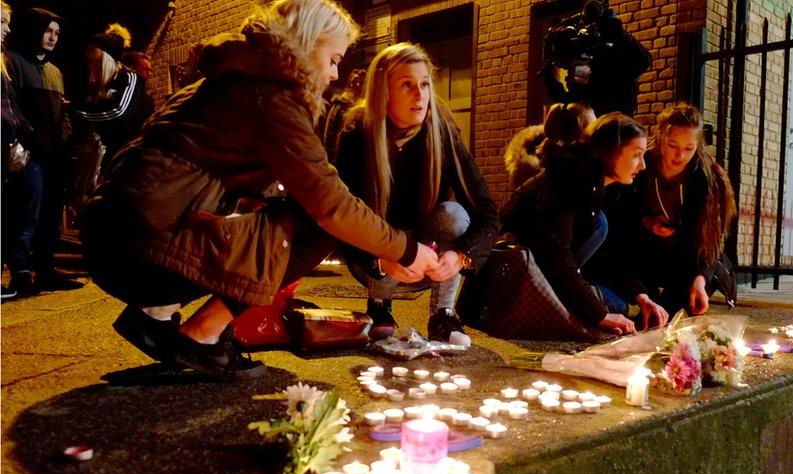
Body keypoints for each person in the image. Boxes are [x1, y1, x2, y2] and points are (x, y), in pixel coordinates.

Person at [80, 0, 439, 380]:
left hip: (118, 233)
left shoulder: (236, 74)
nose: (335, 73)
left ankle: (156, 312)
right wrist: (404, 247)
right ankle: (200, 335)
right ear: (307, 41)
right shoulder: (272, 96)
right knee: (314, 227)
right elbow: (330, 203)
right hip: (139, 245)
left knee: (286, 214)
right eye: (333, 59)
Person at [335, 43, 500, 342]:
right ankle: (379, 306)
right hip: (378, 260)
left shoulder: (443, 134)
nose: (420, 95)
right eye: (407, 85)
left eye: (424, 84)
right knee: (373, 215)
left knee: (453, 213)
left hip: (431, 256)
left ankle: (443, 314)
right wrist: (382, 261)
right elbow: (343, 217)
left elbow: (488, 212)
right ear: (383, 92)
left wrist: (462, 256)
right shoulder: (356, 137)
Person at [502, 112, 651, 335]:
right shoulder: (570, 180)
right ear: (611, 151)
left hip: (552, 268)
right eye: (637, 155)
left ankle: (577, 298)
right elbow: (556, 256)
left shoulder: (599, 185)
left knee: (618, 303)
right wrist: (599, 315)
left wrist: (641, 295)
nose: (643, 165)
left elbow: (610, 255)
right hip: (519, 276)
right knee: (611, 306)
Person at [588, 102, 737, 321]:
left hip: (686, 253)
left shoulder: (706, 179)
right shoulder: (640, 166)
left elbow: (710, 242)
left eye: (689, 149)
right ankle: (646, 298)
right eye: (673, 145)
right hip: (645, 248)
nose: (680, 156)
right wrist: (646, 222)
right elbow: (618, 221)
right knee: (617, 260)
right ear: (660, 139)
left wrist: (700, 279)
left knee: (695, 284)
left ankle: (669, 304)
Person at [6, 7, 81, 293]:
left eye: (57, 33)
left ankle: (46, 270)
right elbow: (11, 107)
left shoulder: (54, 71)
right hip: (29, 153)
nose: (52, 37)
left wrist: (65, 142)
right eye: (48, 30)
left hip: (54, 153)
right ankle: (21, 273)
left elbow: (61, 113)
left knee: (50, 214)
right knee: (25, 214)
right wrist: (30, 137)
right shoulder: (12, 62)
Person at [1, 0, 41, 301]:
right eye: (2, 22)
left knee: (23, 206)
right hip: (6, 144)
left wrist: (28, 135)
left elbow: (10, 106)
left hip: (14, 146)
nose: (7, 29)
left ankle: (21, 271)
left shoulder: (2, 63)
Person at [75, 23, 155, 163]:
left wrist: (78, 112)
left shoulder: (129, 78)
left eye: (93, 61)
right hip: (105, 158)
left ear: (105, 60)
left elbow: (120, 112)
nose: (90, 65)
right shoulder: (97, 88)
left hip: (127, 158)